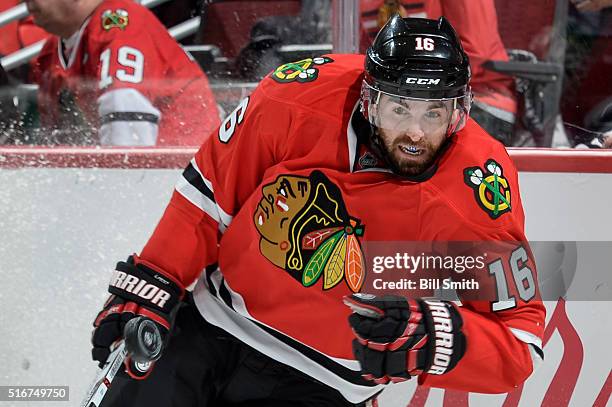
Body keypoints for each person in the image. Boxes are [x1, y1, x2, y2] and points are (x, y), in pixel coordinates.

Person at [91, 15, 545, 406]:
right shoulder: (296, 98)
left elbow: (520, 341)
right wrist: (156, 278)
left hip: (329, 384)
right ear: (370, 99)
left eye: (434, 114)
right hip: (215, 323)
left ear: (460, 112)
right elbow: (210, 194)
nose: (415, 133)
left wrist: (436, 338)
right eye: (399, 109)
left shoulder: (482, 186)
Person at [27, 0, 219, 146]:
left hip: (185, 178)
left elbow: (128, 147)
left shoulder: (122, 25)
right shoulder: (50, 52)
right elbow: (57, 141)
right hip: (153, 178)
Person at [360, 0, 519, 146]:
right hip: (407, 98)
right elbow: (367, 58)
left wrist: (416, 78)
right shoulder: (360, 3)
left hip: (481, 98)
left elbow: (478, 53)